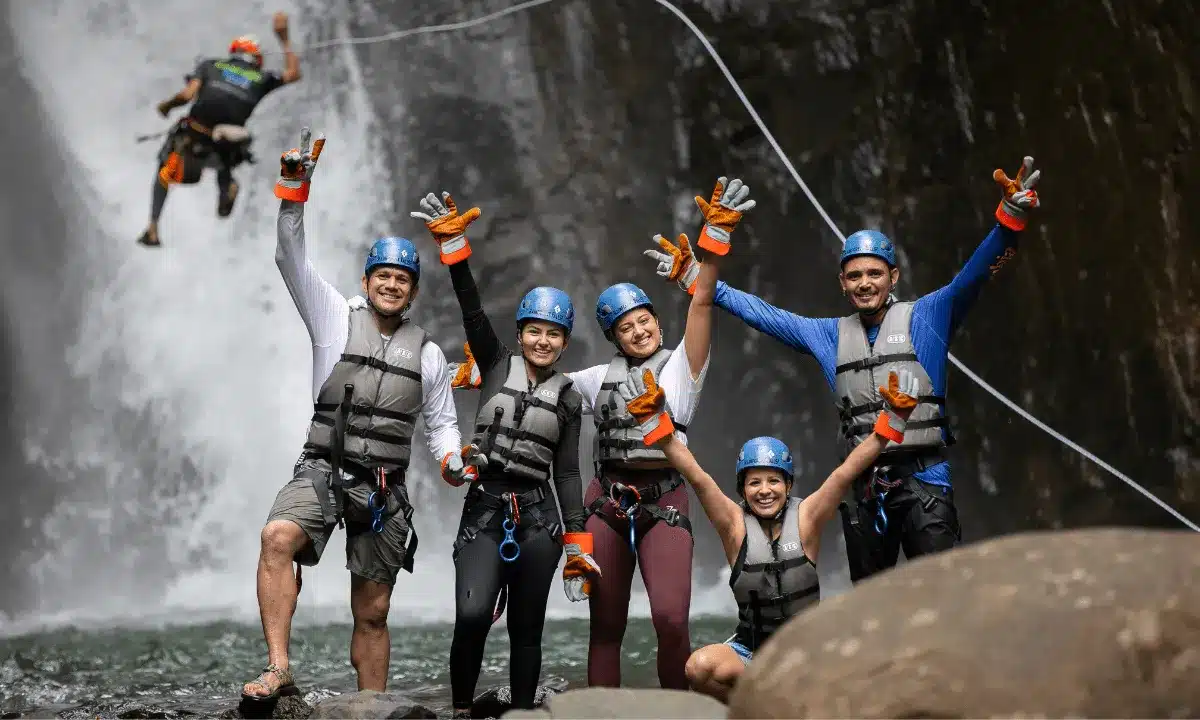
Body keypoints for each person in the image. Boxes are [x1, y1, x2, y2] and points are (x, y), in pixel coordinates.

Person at [645, 157, 1042, 582]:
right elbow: (762, 314)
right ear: (842, 283)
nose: (865, 283)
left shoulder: (929, 316)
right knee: (869, 602)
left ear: (894, 276)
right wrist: (696, 277)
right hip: (866, 489)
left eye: (874, 273)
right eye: (854, 276)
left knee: (940, 591)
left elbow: (974, 276)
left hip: (926, 482)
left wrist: (1010, 219)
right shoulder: (828, 335)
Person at [444, 176, 755, 689]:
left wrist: (711, 244)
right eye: (625, 327)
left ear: (657, 321)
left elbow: (701, 306)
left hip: (665, 501)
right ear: (612, 336)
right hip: (604, 502)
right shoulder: (593, 380)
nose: (638, 331)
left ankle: (675, 707)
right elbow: (544, 385)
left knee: (671, 620)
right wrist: (480, 374)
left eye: (644, 320)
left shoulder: (683, 369)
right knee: (604, 626)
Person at [240, 128, 481, 703]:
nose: (392, 285)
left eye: (402, 279)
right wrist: (293, 192)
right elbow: (288, 258)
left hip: (384, 488)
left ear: (413, 292)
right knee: (277, 537)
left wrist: (452, 461)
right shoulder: (330, 316)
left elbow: (443, 424)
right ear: (367, 280)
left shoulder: (426, 354)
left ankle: (372, 706)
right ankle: (278, 667)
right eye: (383, 276)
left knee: (373, 611)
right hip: (322, 470)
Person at [613, 365, 921, 702]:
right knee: (699, 668)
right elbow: (697, 477)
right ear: (742, 490)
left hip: (807, 652)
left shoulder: (807, 518)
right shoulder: (733, 526)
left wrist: (892, 422)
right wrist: (658, 427)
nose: (765, 491)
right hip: (752, 652)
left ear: (788, 486)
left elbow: (846, 472)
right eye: (754, 482)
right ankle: (756, 706)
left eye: (774, 481)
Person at [408, 191, 602, 717]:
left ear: (564, 343)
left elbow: (567, 473)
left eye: (553, 335)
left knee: (527, 629)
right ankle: (461, 709)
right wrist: (454, 248)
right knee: (471, 615)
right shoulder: (494, 364)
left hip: (540, 521)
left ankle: (519, 712)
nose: (543, 341)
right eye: (534, 331)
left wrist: (578, 544)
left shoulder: (566, 398)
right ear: (520, 335)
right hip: (486, 511)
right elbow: (471, 308)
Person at [138, 11, 301, 247]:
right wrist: (284, 37)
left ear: (233, 51)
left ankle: (153, 228)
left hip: (195, 135)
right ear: (257, 59)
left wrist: (166, 106)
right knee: (227, 157)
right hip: (227, 143)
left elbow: (186, 95)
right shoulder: (262, 77)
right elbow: (294, 74)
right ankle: (226, 186)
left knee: (165, 169)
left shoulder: (210, 65)